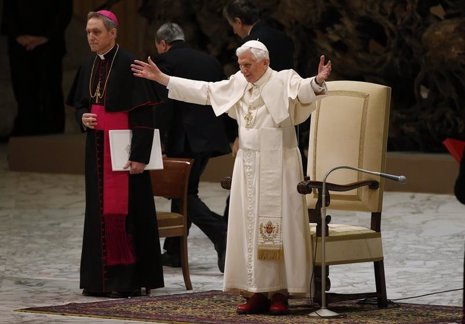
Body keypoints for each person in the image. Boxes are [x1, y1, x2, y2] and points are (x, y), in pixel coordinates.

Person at [131, 40, 331, 315]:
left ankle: (280, 292)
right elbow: (205, 91)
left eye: (248, 65)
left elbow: (306, 91)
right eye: (241, 65)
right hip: (247, 165)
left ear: (265, 62)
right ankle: (255, 290)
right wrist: (163, 79)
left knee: (279, 226)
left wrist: (318, 81)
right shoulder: (239, 82)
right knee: (246, 227)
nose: (243, 70)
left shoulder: (284, 79)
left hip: (279, 164)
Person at [66, 10, 164, 298]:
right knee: (98, 213)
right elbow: (82, 105)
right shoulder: (88, 65)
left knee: (127, 212)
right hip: (96, 150)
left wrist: (140, 156)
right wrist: (83, 118)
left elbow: (145, 115)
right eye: (88, 32)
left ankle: (126, 280)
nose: (91, 37)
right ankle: (99, 281)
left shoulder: (130, 64)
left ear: (112, 32)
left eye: (96, 32)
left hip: (124, 151)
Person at [151, 22, 230, 272]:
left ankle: (220, 232)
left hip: (183, 138)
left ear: (163, 44)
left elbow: (164, 106)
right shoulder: (209, 61)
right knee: (183, 190)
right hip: (210, 138)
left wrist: (160, 142)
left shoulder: (164, 62)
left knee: (183, 193)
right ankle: (174, 251)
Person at [1, 0, 72, 137]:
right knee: (24, 95)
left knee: (50, 95)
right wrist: (18, 36)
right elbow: (9, 11)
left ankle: (53, 141)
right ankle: (27, 142)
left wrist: (45, 37)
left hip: (50, 45)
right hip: (19, 45)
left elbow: (64, 12)